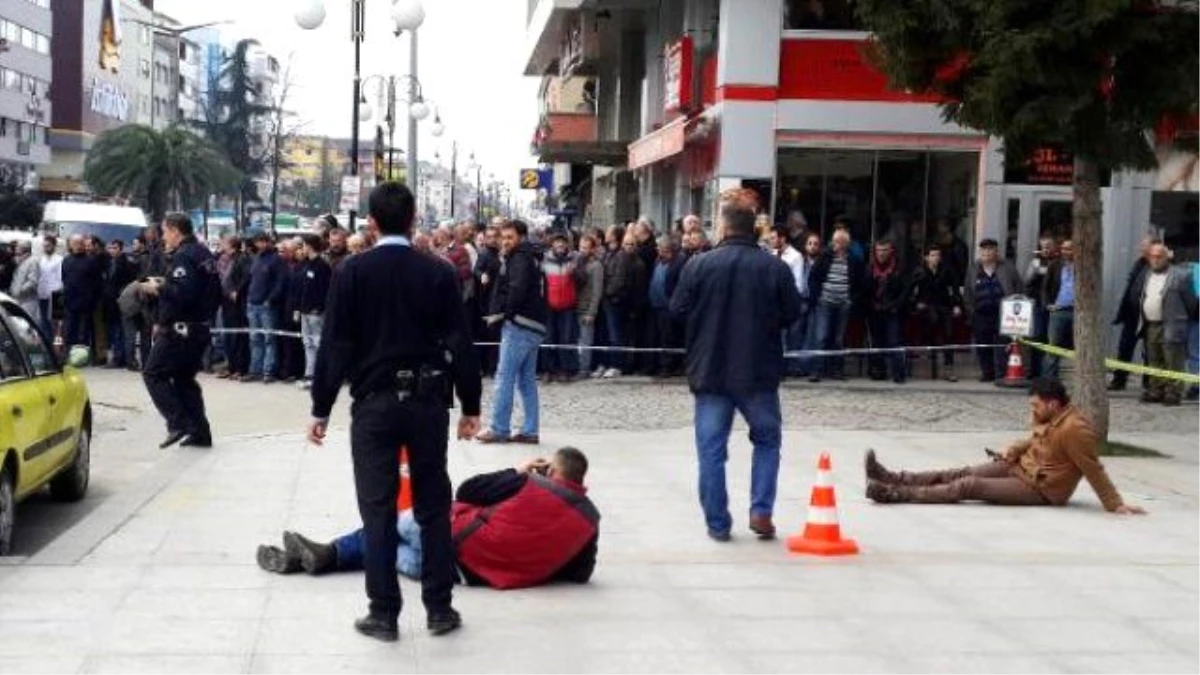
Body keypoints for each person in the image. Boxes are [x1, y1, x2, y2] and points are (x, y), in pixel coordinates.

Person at [308, 181, 482, 642]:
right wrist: (471, 404)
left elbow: (336, 343)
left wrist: (320, 407)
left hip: (374, 404)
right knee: (432, 505)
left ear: (371, 222)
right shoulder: (439, 272)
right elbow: (459, 341)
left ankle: (383, 613)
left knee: (378, 508)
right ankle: (440, 609)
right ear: (413, 220)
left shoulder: (352, 271)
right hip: (427, 401)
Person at [258, 448, 599, 591]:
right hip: (461, 575)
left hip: (451, 540)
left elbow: (467, 490)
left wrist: (518, 471)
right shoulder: (589, 520)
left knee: (388, 525)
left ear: (551, 470)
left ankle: (325, 554)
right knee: (387, 550)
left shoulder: (530, 483)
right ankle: (311, 559)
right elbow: (580, 575)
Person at [670, 188, 803, 542]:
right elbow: (793, 313)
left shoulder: (698, 265)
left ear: (725, 228)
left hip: (711, 369)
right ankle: (761, 510)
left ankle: (717, 523)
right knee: (767, 441)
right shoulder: (773, 267)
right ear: (753, 229)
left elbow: (676, 310)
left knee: (711, 450)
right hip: (758, 370)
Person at [865, 377, 1146, 514]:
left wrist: (1115, 504)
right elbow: (1041, 439)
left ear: (1053, 403)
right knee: (959, 473)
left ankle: (894, 494)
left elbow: (1092, 468)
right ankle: (890, 476)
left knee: (968, 485)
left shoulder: (1075, 429)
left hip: (1040, 488)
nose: (1032, 410)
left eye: (1036, 405)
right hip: (1019, 467)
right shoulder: (1054, 417)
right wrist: (1017, 448)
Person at [140, 213, 219, 449]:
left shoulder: (184, 256)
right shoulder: (203, 253)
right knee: (184, 380)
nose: (164, 238)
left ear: (175, 230)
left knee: (153, 373)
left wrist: (160, 287)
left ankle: (178, 422)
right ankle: (199, 432)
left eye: (165, 232)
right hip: (199, 327)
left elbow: (184, 294)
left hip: (181, 330)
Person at [476, 220, 547, 445]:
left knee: (504, 377)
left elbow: (517, 290)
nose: (505, 241)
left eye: (510, 237)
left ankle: (499, 428)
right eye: (503, 237)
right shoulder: (529, 257)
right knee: (526, 380)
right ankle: (530, 430)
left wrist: (503, 314)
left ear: (522, 237)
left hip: (519, 324)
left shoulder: (520, 258)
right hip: (532, 324)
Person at [1139, 242, 1197, 406]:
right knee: (1154, 359)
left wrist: (1181, 318)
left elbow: (1191, 302)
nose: (1156, 260)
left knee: (1173, 360)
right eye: (1152, 257)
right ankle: (1156, 389)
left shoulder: (1181, 275)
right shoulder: (1147, 275)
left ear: (1167, 257)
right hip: (1151, 324)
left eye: (1159, 257)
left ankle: (1174, 392)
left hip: (1172, 324)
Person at [963, 238, 1022, 382]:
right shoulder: (973, 268)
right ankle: (987, 373)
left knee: (1002, 345)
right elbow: (968, 292)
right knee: (983, 345)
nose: (987, 253)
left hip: (1003, 314)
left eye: (990, 249)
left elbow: (1018, 287)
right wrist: (971, 311)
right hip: (981, 314)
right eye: (984, 250)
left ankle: (1001, 374)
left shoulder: (1008, 267)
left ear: (996, 252)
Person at [1109, 235, 1153, 390]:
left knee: (1149, 351)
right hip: (1131, 315)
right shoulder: (1139, 264)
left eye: (1144, 246)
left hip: (1149, 317)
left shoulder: (1158, 265)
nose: (1140, 249)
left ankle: (1149, 383)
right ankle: (1119, 380)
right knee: (1124, 349)